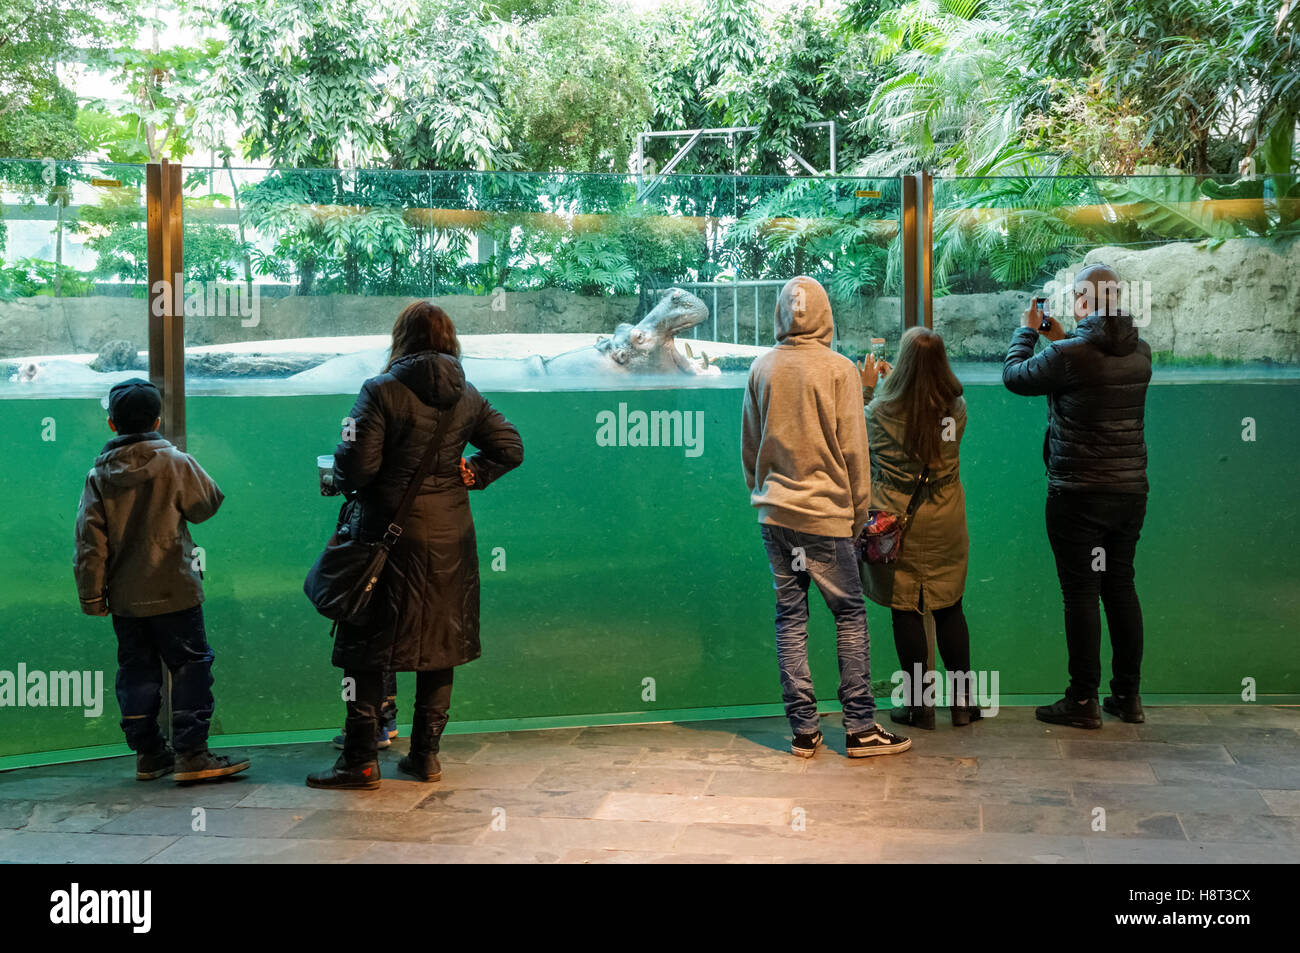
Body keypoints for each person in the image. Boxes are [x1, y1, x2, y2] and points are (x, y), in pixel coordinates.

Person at [307, 302, 523, 790]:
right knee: (439, 643)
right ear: (450, 340)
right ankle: (425, 757)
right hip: (450, 539)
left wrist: (336, 475)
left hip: (385, 537)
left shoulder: (379, 391)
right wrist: (475, 471)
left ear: (400, 337)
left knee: (363, 645)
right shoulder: (467, 395)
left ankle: (359, 761)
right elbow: (510, 447)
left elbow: (358, 466)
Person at [742, 275, 911, 759]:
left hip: (774, 515)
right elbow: (857, 454)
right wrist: (857, 515)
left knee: (790, 619)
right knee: (850, 616)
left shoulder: (761, 369)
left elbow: (750, 447)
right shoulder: (839, 372)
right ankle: (859, 728)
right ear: (825, 315)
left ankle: (803, 730)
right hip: (827, 517)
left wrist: (765, 496)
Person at [74, 378, 250, 783]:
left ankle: (149, 753)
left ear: (111, 425)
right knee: (190, 665)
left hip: (125, 597)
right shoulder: (176, 462)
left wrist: (91, 596)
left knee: (136, 669)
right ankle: (192, 753)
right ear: (157, 419)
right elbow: (206, 505)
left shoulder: (97, 476)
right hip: (175, 589)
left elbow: (89, 542)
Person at [1003, 263, 1152, 729]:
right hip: (1129, 491)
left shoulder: (1070, 354)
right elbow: (1086, 361)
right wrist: (1061, 337)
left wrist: (1027, 333)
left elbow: (1016, 376)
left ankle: (1082, 701)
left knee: (1082, 593)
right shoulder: (1141, 352)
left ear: (1085, 301)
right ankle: (1127, 697)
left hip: (1078, 494)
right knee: (1120, 588)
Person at [859, 327, 979, 729]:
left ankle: (919, 707)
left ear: (903, 365)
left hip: (897, 521)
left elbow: (861, 440)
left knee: (905, 607)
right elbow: (932, 429)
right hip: (945, 514)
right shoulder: (956, 409)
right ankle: (963, 705)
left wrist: (870, 389)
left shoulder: (878, 412)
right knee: (949, 606)